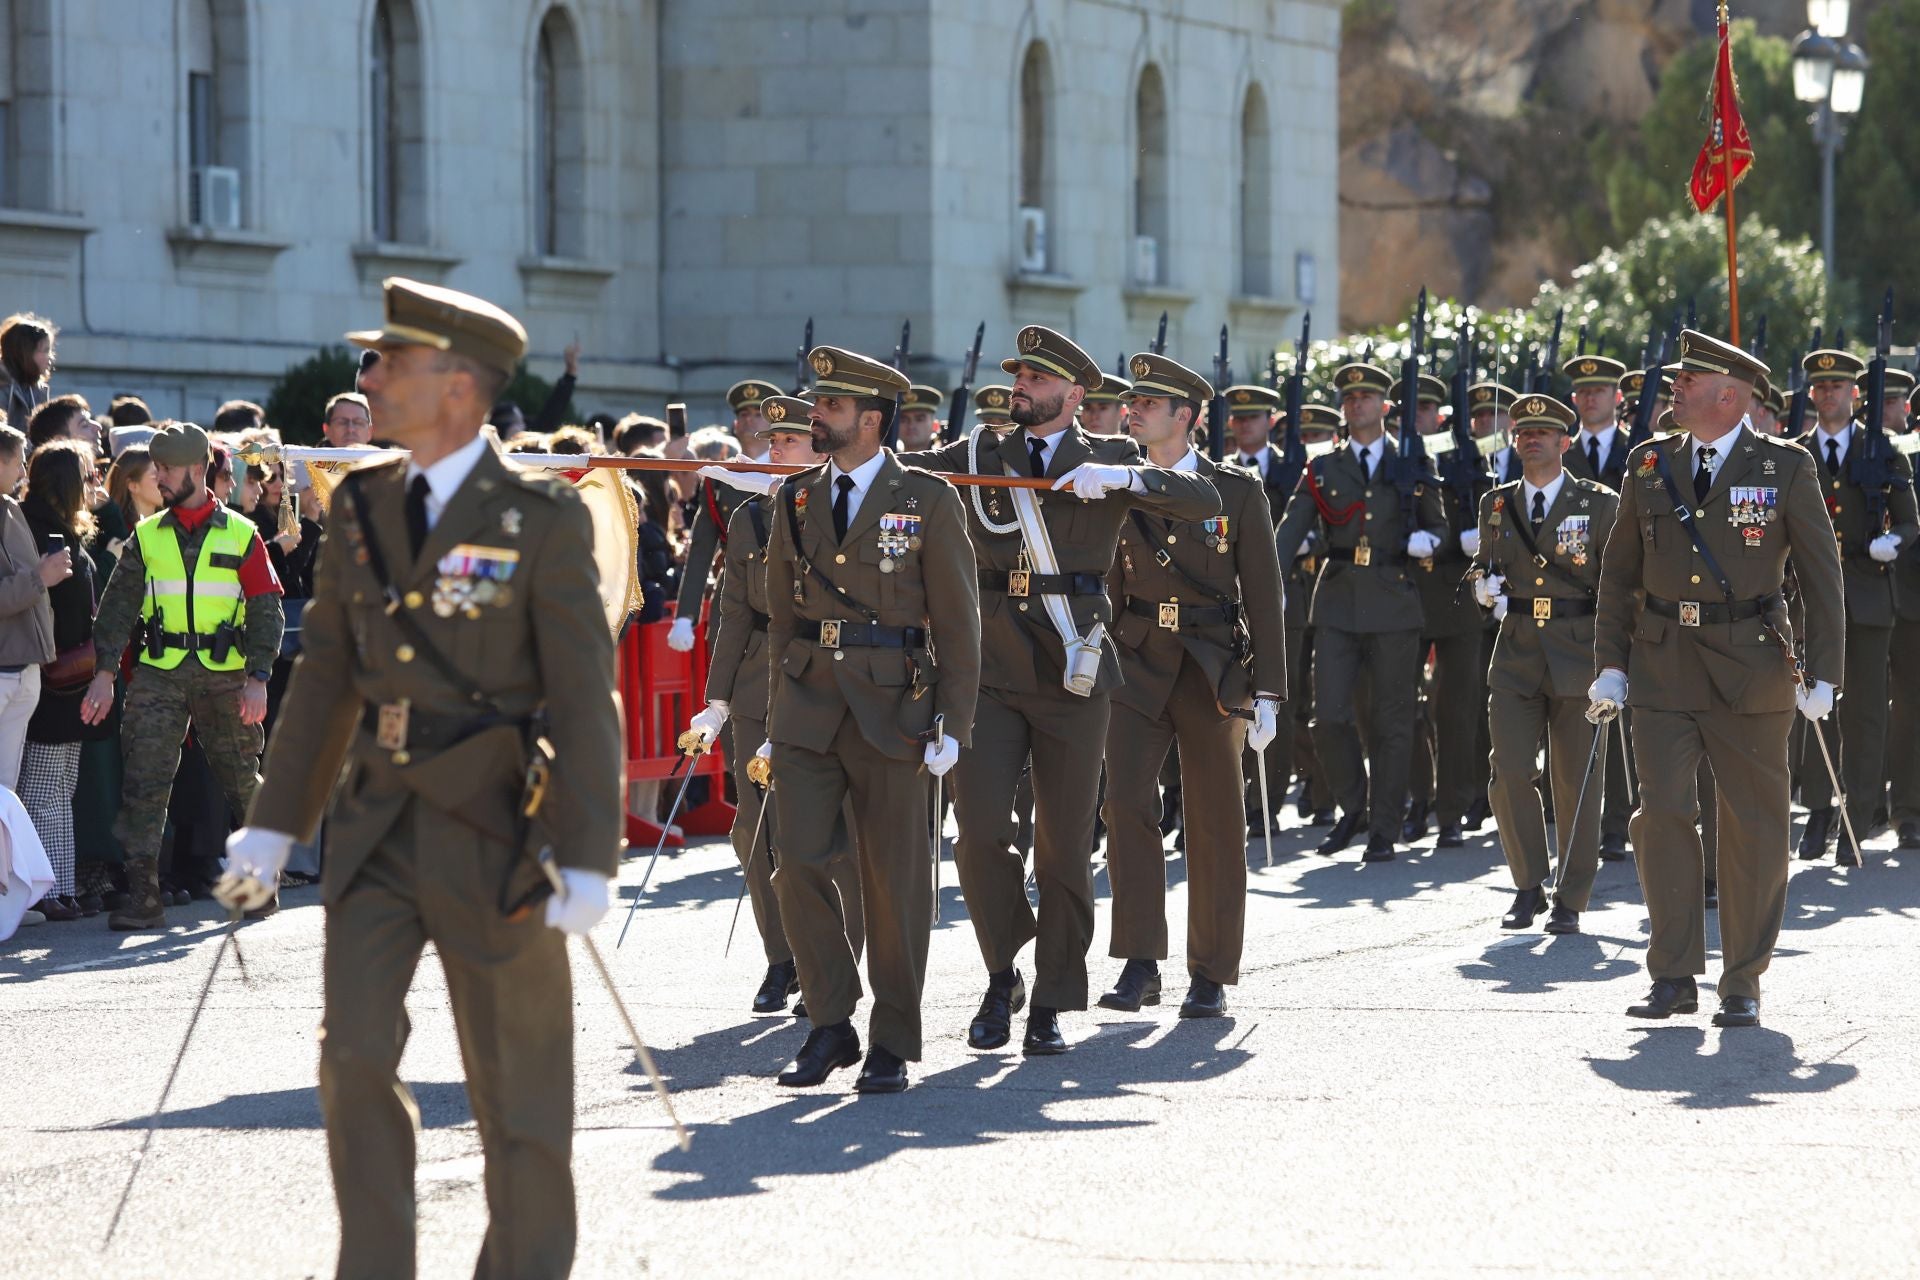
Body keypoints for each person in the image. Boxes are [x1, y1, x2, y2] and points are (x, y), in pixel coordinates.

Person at [218, 277, 621, 1276]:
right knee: (351, 1056)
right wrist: (274, 824)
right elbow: (325, 679)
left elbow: (583, 695)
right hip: (377, 822)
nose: (372, 377)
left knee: (519, 1095)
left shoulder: (540, 515)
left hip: (497, 830)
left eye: (392, 361)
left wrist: (589, 853)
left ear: (458, 385)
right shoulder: (359, 502)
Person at [897, 324, 1220, 1056]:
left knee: (1063, 848)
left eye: (1038, 381)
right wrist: (776, 472)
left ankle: (1050, 995)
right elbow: (899, 471)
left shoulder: (1111, 457)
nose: (1022, 388)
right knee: (979, 835)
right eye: (1019, 378)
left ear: (1074, 396)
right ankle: (1003, 968)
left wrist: (1131, 481)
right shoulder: (980, 451)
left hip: (1073, 675)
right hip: (989, 672)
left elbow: (1202, 497)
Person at [1588, 330, 1844, 1030]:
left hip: (1751, 668)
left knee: (1753, 826)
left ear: (1728, 395)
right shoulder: (1648, 465)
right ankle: (1672, 974)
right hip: (1663, 665)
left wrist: (1825, 674)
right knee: (1663, 814)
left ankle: (1742, 980)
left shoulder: (1784, 468)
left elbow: (1823, 581)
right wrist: (1610, 665)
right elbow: (1617, 577)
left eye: (1687, 379)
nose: (1673, 387)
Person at [759, 346, 978, 1093]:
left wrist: (954, 719)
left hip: (896, 708)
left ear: (871, 419)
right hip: (809, 708)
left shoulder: (927, 499)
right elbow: (782, 617)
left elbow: (958, 622)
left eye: (830, 407)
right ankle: (829, 1021)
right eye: (817, 405)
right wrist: (776, 708)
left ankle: (892, 1038)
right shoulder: (792, 500)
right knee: (796, 866)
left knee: (893, 882)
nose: (814, 415)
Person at [1096, 353, 1285, 1019]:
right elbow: (1107, 582)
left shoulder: (1236, 491)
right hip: (1137, 660)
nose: (1134, 409)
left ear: (1187, 416)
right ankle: (1141, 961)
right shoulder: (1119, 484)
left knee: (1213, 820)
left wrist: (1270, 691)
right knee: (1124, 805)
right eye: (1133, 401)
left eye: (1150, 402)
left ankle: (1210, 971)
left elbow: (1263, 595)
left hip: (1210, 666)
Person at [685, 394, 866, 1015]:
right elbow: (734, 611)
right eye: (772, 443)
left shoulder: (843, 513)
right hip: (759, 681)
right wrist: (714, 700)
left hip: (823, 677)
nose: (772, 452)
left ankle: (837, 957)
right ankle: (781, 960)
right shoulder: (751, 520)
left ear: (819, 450)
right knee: (752, 829)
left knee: (822, 831)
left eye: (787, 443)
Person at [78, 421, 283, 929]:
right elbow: (117, 610)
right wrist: (104, 673)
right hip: (160, 673)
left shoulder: (241, 533)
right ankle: (144, 896)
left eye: (167, 469)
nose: (160, 478)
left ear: (196, 470)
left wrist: (258, 676)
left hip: (227, 674)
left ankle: (260, 882)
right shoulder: (146, 537)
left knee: (241, 780)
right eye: (156, 469)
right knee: (145, 782)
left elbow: (266, 608)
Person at [1273, 361, 1447, 860]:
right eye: (1348, 399)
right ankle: (1355, 807)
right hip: (1338, 599)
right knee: (1327, 715)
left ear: (1385, 406)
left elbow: (1439, 525)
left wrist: (1426, 540)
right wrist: (1269, 580)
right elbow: (1290, 528)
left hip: (1394, 597)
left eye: (1366, 397)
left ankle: (1383, 828)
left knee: (1393, 720)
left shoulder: (1413, 461)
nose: (1356, 404)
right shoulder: (1324, 468)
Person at [1471, 395, 1617, 932]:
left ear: (1565, 442)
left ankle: (1571, 897)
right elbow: (1485, 567)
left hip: (1580, 652)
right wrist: (1482, 589)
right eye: (1523, 431)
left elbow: (1619, 585)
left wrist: (1615, 661)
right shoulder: (1495, 502)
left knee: (1576, 781)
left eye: (1544, 431)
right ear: (1513, 441)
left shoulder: (1599, 503)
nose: (1532, 438)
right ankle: (1528, 884)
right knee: (1508, 771)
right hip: (1516, 653)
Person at [1791, 350, 1916, 864]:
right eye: (1819, 388)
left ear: (1854, 394)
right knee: (1816, 708)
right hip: (1812, 598)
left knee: (1864, 714)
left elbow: (1910, 520)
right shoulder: (1793, 452)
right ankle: (1818, 809)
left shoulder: (1884, 451)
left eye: (1837, 387)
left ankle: (1856, 817)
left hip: (1866, 595)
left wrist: (1893, 541)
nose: (1827, 395)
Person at [1396, 371, 1482, 847]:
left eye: (1426, 409)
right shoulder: (1395, 461)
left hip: (1457, 595)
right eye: (1412, 410)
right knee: (1403, 707)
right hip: (1408, 596)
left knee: (1457, 708)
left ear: (1439, 414)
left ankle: (1452, 807)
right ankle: (1418, 799)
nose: (1420, 418)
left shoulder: (1461, 456)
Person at [18, 441, 102, 921]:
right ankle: (44, 889)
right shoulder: (40, 527)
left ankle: (61, 887)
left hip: (69, 673)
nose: (94, 483)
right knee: (44, 787)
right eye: (87, 475)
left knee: (59, 785)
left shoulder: (61, 527)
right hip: (52, 674)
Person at [666, 390, 773, 655]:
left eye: (758, 414)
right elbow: (702, 546)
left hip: (782, 596)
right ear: (735, 424)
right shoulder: (719, 478)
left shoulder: (797, 470)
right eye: (743, 414)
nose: (749, 420)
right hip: (734, 594)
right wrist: (685, 615)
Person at [0, 425, 64, 795]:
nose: (25, 472)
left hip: (24, 669)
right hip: (5, 672)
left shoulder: (11, 508)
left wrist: (42, 574)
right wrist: (40, 577)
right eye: (20, 462)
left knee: (6, 793)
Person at [0, 313, 55, 427]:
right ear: (25, 353)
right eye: (45, 351)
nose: (51, 357)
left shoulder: (38, 390)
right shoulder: (3, 388)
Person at [897, 384, 944, 450]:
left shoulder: (947, 459)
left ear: (935, 425)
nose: (911, 426)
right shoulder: (885, 458)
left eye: (919, 419)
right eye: (903, 420)